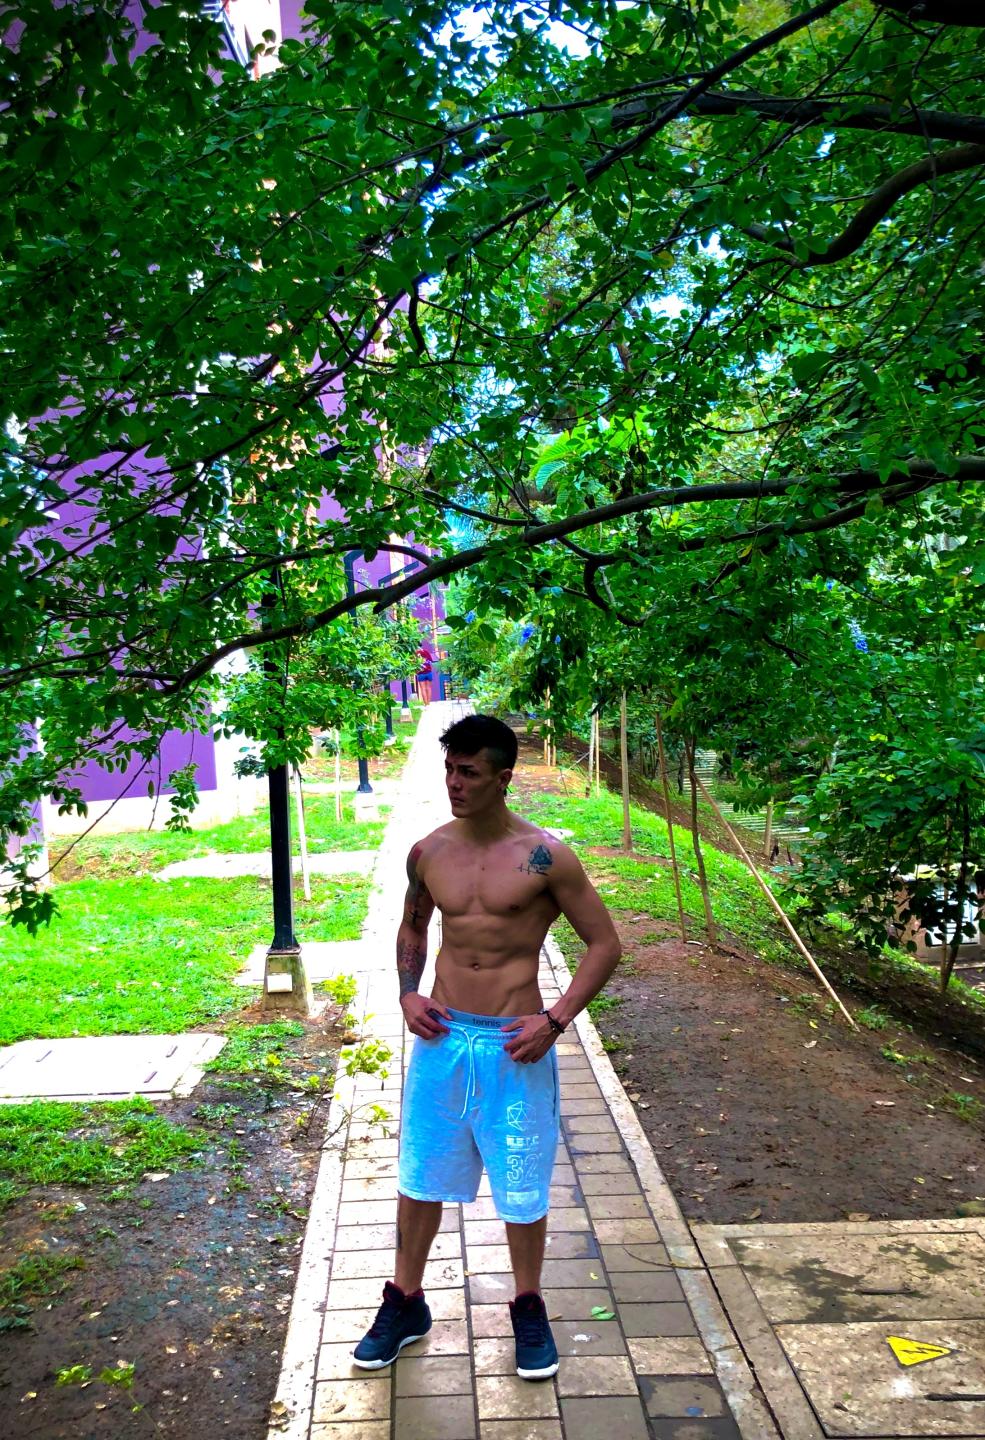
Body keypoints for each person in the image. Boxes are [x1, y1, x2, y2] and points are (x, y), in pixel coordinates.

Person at [352, 714, 621, 1380]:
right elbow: (412, 926)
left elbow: (604, 944)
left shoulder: (545, 857)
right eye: (449, 769)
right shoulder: (429, 851)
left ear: (502, 778)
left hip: (513, 1044)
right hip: (444, 1038)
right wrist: (407, 993)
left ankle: (528, 1306)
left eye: (468, 772)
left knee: (521, 1181)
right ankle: (405, 1302)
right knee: (420, 1175)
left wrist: (555, 1020)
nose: (454, 783)